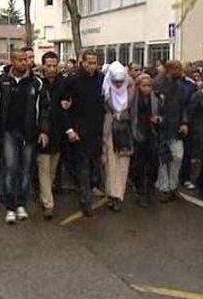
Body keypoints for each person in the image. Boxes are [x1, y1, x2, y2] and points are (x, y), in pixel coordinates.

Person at [0, 49, 49, 224]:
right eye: (19, 60)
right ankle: (10, 206)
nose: (23, 63)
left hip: (29, 133)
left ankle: (21, 204)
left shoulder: (37, 82)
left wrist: (43, 130)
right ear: (13, 61)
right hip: (9, 131)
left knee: (25, 170)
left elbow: (44, 109)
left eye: (26, 60)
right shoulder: (0, 80)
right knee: (10, 168)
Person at [60, 49, 105, 217]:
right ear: (82, 62)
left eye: (95, 63)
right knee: (83, 167)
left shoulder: (101, 79)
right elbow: (64, 106)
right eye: (90, 63)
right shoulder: (72, 80)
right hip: (79, 129)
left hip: (96, 129)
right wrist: (69, 129)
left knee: (95, 165)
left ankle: (91, 189)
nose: (93, 66)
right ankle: (85, 201)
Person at [101, 61, 134, 212]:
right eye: (116, 82)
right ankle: (112, 194)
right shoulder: (105, 89)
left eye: (121, 81)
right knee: (111, 164)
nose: (119, 85)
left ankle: (118, 195)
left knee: (123, 164)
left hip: (125, 130)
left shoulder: (130, 88)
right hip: (109, 130)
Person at [154, 60, 189, 202]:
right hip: (161, 129)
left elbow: (184, 106)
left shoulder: (180, 86)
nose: (181, 72)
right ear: (170, 70)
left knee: (177, 156)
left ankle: (173, 185)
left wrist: (185, 122)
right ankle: (164, 188)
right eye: (178, 69)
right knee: (163, 159)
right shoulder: (158, 85)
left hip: (176, 128)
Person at [36, 51, 64, 220]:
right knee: (44, 169)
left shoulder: (64, 83)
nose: (52, 69)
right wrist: (40, 130)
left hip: (59, 133)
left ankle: (45, 195)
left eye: (55, 66)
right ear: (43, 66)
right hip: (42, 133)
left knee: (52, 171)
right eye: (49, 66)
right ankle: (49, 204)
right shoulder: (38, 84)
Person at [131, 74, 161, 207]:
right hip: (138, 134)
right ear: (138, 86)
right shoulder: (133, 99)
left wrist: (158, 119)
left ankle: (150, 189)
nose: (147, 88)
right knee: (139, 165)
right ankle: (140, 192)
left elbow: (163, 114)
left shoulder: (156, 98)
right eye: (144, 86)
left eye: (149, 85)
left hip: (151, 133)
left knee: (154, 164)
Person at [180, 62, 199, 190]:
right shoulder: (170, 83)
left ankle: (185, 177)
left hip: (188, 121)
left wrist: (186, 121)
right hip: (172, 121)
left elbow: (192, 104)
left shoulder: (191, 85)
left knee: (186, 151)